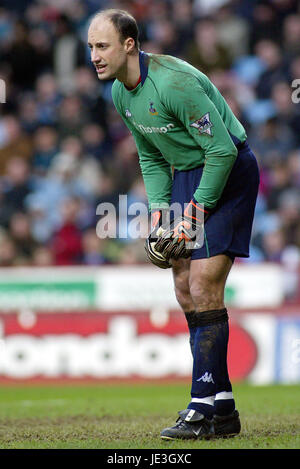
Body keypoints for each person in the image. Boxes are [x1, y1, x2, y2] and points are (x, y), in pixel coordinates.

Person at [88, 9, 259, 440]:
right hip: (186, 174)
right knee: (183, 287)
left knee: (203, 283)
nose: (94, 55)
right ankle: (222, 406)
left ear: (129, 44)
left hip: (227, 170)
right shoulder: (120, 94)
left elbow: (221, 150)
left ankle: (199, 407)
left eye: (102, 45)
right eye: (91, 47)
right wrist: (163, 214)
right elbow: (150, 155)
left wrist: (194, 214)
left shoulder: (174, 82)